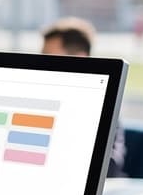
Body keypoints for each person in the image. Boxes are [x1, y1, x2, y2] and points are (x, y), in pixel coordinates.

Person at [41, 17, 127, 177]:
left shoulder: (102, 103)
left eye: (50, 56)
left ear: (79, 58)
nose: (42, 63)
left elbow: (111, 166)